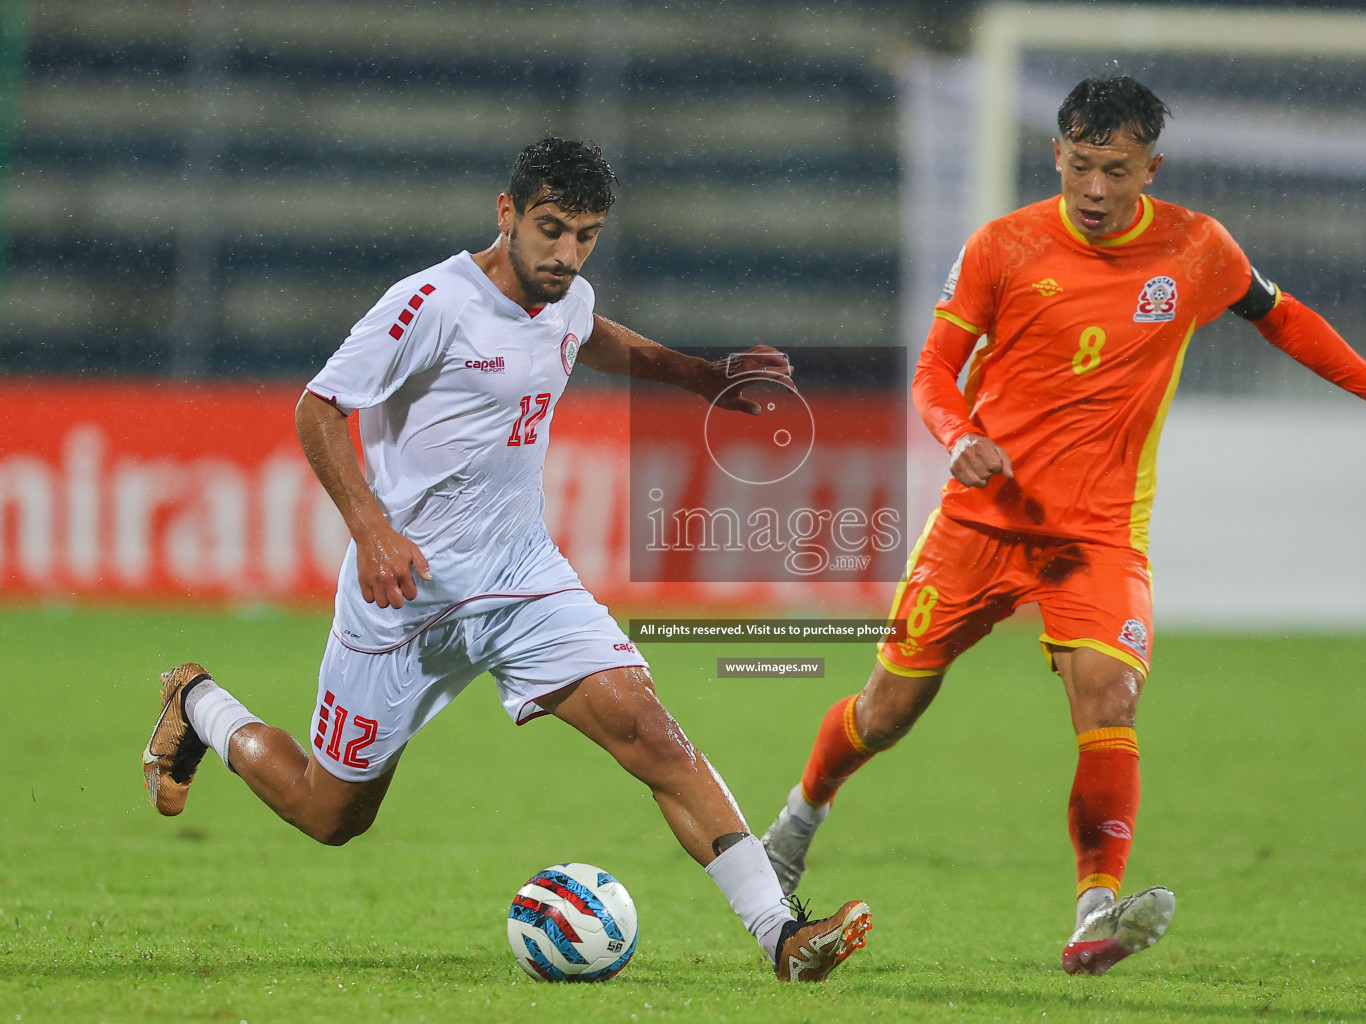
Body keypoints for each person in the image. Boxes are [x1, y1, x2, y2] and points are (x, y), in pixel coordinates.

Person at [760, 76, 1366, 977]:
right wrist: (959, 436)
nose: (1095, 191)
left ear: (1151, 167)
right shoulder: (1003, 245)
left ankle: (1095, 912)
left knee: (1108, 697)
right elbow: (936, 372)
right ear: (1056, 152)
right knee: (888, 708)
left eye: (1117, 171)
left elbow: (1282, 318)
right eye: (1081, 167)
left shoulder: (1195, 247)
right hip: (981, 523)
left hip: (1098, 535)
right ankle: (797, 821)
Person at [141, 137, 871, 983]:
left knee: (651, 732)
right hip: (405, 599)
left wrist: (700, 377)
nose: (566, 255)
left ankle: (781, 936)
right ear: (507, 213)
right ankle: (198, 703)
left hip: (523, 580)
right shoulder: (429, 304)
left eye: (586, 235)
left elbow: (592, 336)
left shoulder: (568, 293)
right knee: (328, 813)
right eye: (551, 230)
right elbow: (317, 408)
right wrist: (373, 531)